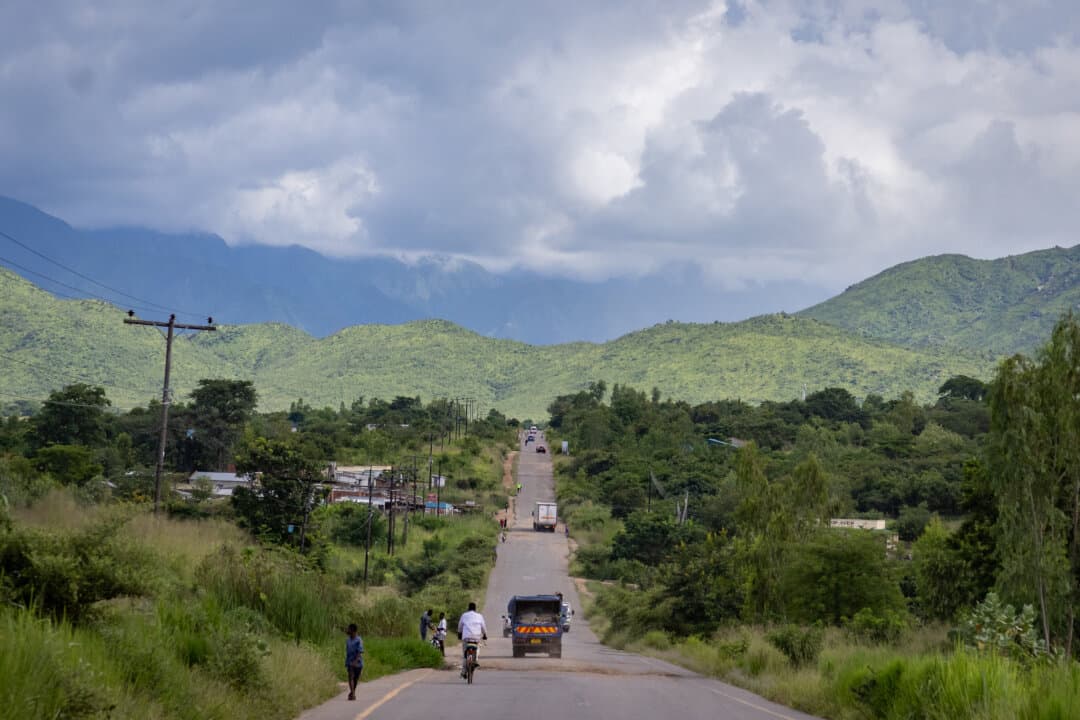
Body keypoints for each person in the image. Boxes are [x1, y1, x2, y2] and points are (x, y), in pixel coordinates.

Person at [456, 601, 488, 678]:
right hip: (476, 637)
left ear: (468, 608)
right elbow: (483, 627)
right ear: (475, 609)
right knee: (477, 648)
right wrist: (485, 635)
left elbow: (460, 626)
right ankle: (475, 660)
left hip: (466, 637)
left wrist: (459, 634)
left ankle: (463, 672)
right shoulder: (479, 616)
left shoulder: (464, 615)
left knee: (464, 655)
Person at [345, 623, 364, 701]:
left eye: (349, 629)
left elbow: (360, 652)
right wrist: (349, 662)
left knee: (355, 679)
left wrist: (355, 661)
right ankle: (353, 694)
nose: (347, 630)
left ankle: (352, 692)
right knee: (350, 677)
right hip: (350, 662)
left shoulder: (358, 640)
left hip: (358, 663)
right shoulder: (348, 640)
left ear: (353, 631)